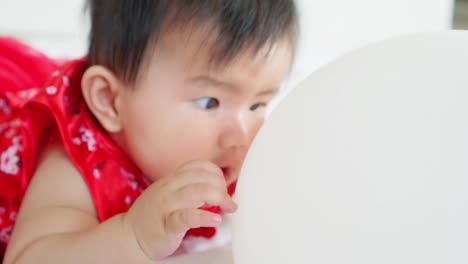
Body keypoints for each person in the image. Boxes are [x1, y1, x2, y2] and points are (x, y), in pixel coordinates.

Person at [0, 0, 298, 262]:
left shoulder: (232, 153)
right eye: (210, 102)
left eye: (258, 104)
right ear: (110, 102)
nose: (241, 137)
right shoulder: (75, 162)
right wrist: (133, 237)